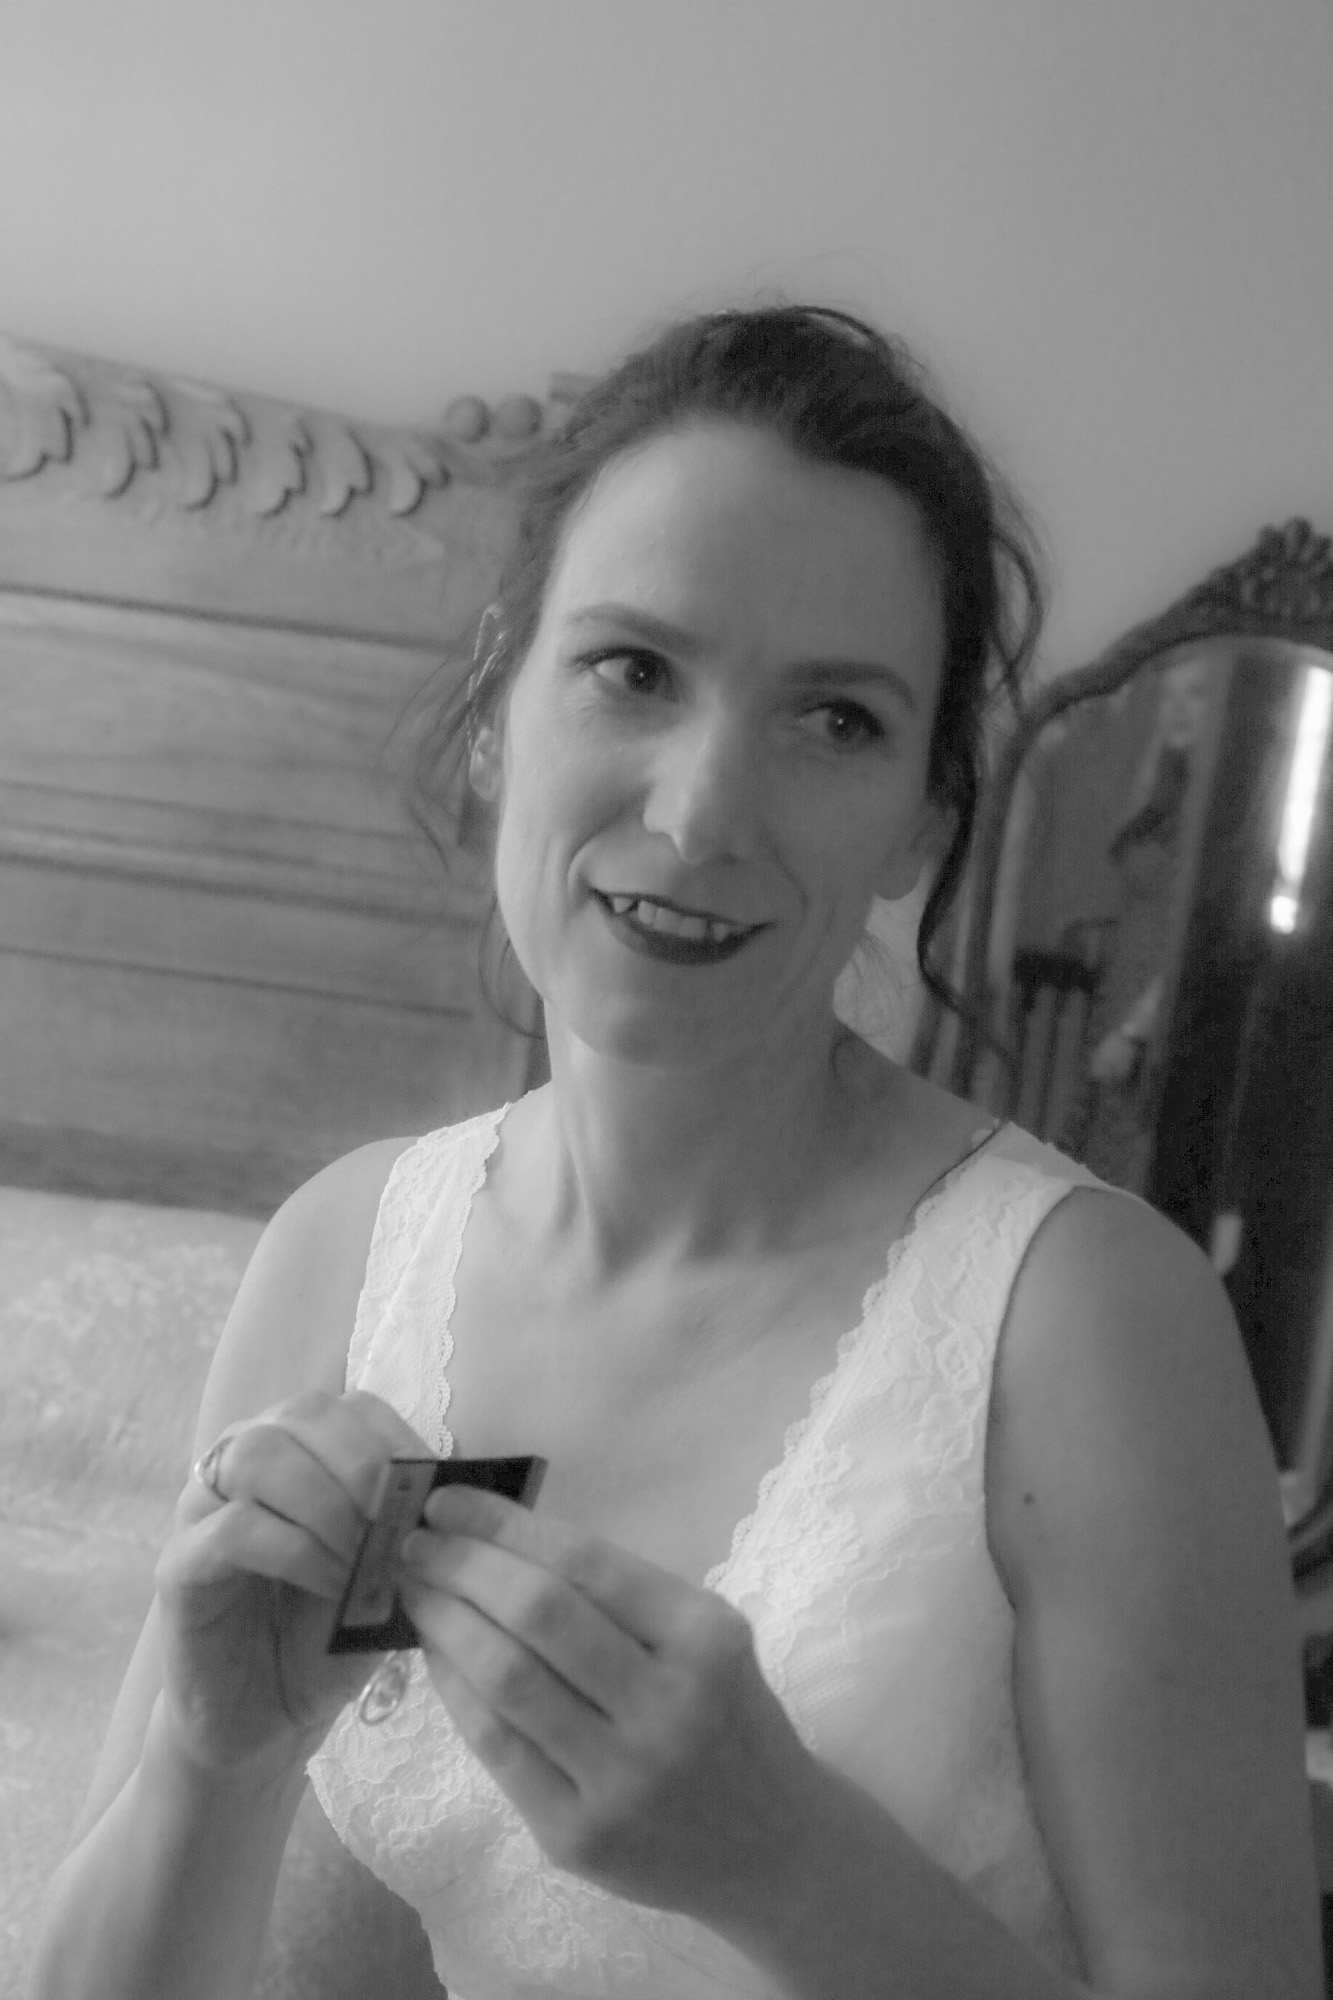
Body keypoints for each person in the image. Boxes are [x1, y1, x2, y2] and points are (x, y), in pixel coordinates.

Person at [32, 305, 1320, 2000]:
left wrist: (785, 1863)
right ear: (498, 709)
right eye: (633, 670)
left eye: (835, 720)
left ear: (923, 822)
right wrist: (210, 1759)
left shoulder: (1086, 1321)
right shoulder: (341, 1249)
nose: (704, 810)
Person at [1062, 651, 1212, 1190]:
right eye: (1170, 696)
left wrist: (1133, 1031)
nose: (1179, 708)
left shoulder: (1216, 804)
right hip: (1118, 993)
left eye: (1196, 693)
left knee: (1129, 1171)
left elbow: (1197, 936)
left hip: (1157, 1014)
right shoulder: (1166, 795)